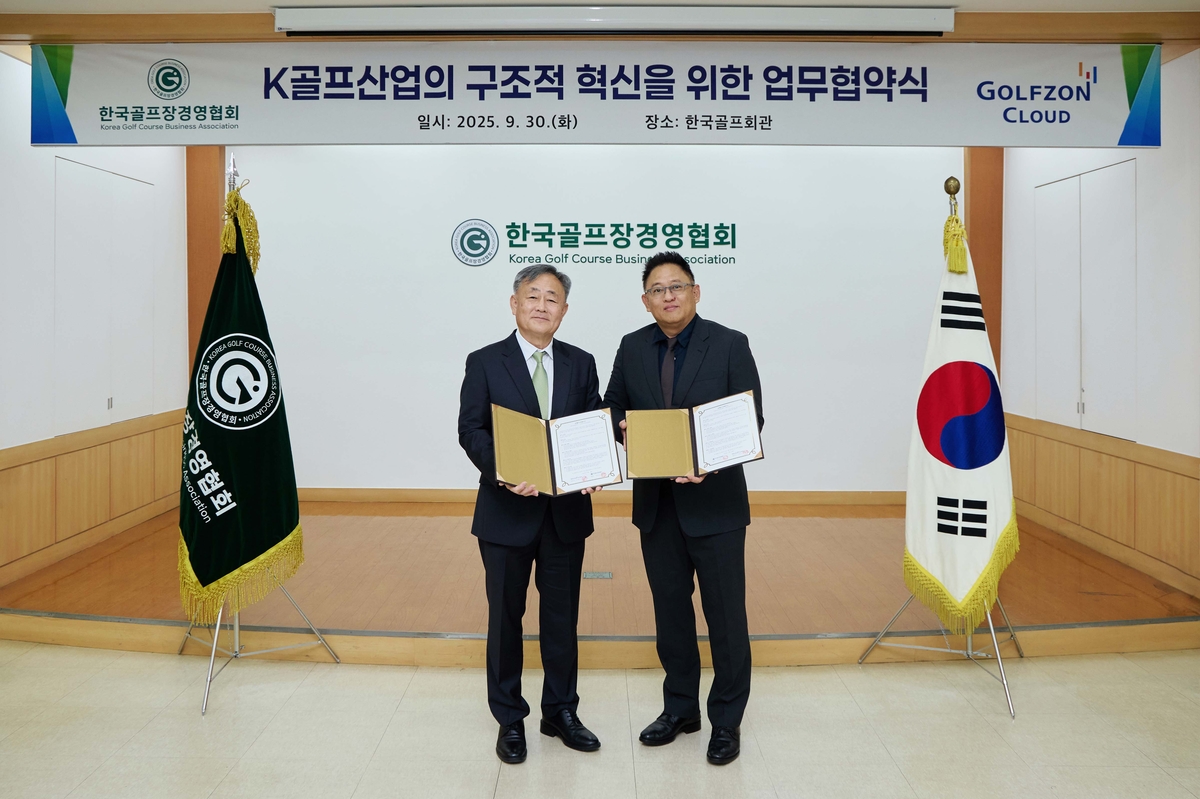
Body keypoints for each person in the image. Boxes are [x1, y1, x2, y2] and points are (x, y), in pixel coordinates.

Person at [603, 251, 763, 766]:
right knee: (670, 614)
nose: (668, 295)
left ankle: (726, 721)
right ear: (645, 300)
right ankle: (680, 709)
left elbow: (749, 418)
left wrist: (709, 465)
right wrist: (620, 427)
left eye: (677, 286)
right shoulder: (631, 347)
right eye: (657, 288)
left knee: (725, 617)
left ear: (696, 292)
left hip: (714, 504)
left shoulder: (730, 343)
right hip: (658, 505)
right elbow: (613, 407)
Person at [458, 264, 605, 764]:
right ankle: (509, 718)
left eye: (553, 299)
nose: (543, 306)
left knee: (562, 618)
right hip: (505, 511)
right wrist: (503, 470)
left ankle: (561, 711)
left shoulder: (582, 363)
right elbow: (471, 429)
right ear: (514, 304)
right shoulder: (484, 362)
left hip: (565, 513)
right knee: (506, 617)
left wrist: (594, 463)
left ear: (564, 311)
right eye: (533, 296)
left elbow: (591, 426)